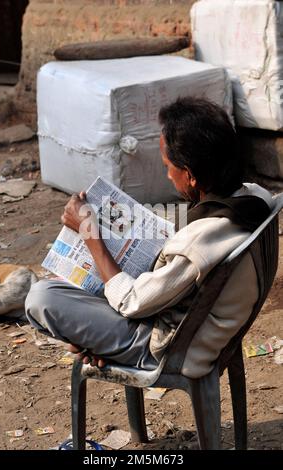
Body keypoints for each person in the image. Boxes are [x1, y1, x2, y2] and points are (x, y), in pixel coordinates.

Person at [25, 97, 273, 379]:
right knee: (68, 286)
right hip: (193, 323)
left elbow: (132, 302)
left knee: (41, 296)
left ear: (190, 175)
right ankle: (97, 339)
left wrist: (89, 232)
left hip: (168, 346)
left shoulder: (201, 242)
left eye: (168, 166)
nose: (167, 176)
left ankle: (101, 343)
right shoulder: (254, 196)